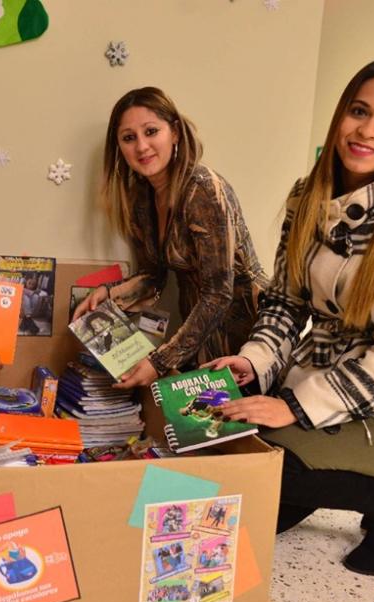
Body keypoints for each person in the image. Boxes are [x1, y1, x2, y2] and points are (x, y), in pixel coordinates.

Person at [205, 58, 374, 577]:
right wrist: (254, 363)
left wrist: (295, 407)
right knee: (243, 471)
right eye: (359, 111)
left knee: (265, 465)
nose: (368, 131)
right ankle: (326, 474)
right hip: (320, 384)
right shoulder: (308, 197)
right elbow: (285, 304)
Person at [72, 86, 267, 388]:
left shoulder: (203, 190)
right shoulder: (141, 198)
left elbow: (219, 293)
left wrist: (160, 361)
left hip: (245, 332)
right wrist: (109, 295)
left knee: (230, 428)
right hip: (196, 330)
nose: (142, 147)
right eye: (129, 138)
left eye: (151, 132)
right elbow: (153, 275)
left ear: (174, 133)